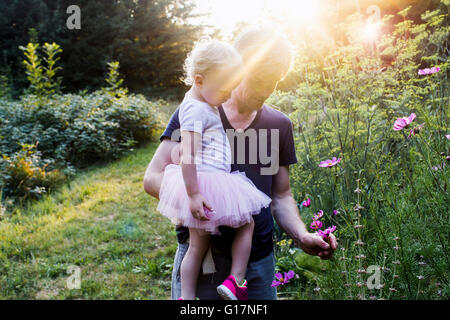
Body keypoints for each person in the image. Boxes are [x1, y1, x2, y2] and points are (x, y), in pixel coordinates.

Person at [144, 26, 338, 300]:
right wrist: (199, 199)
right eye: (258, 79)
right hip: (203, 262)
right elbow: (152, 178)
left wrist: (302, 236)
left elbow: (281, 195)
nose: (266, 90)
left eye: (274, 81)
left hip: (258, 265)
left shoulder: (279, 125)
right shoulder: (196, 112)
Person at [156, 38, 272, 300]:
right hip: (210, 183)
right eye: (224, 89)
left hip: (206, 182)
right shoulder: (198, 111)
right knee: (247, 224)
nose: (229, 95)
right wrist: (194, 195)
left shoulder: (195, 104)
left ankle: (186, 296)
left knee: (197, 246)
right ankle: (236, 280)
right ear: (199, 80)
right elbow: (188, 155)